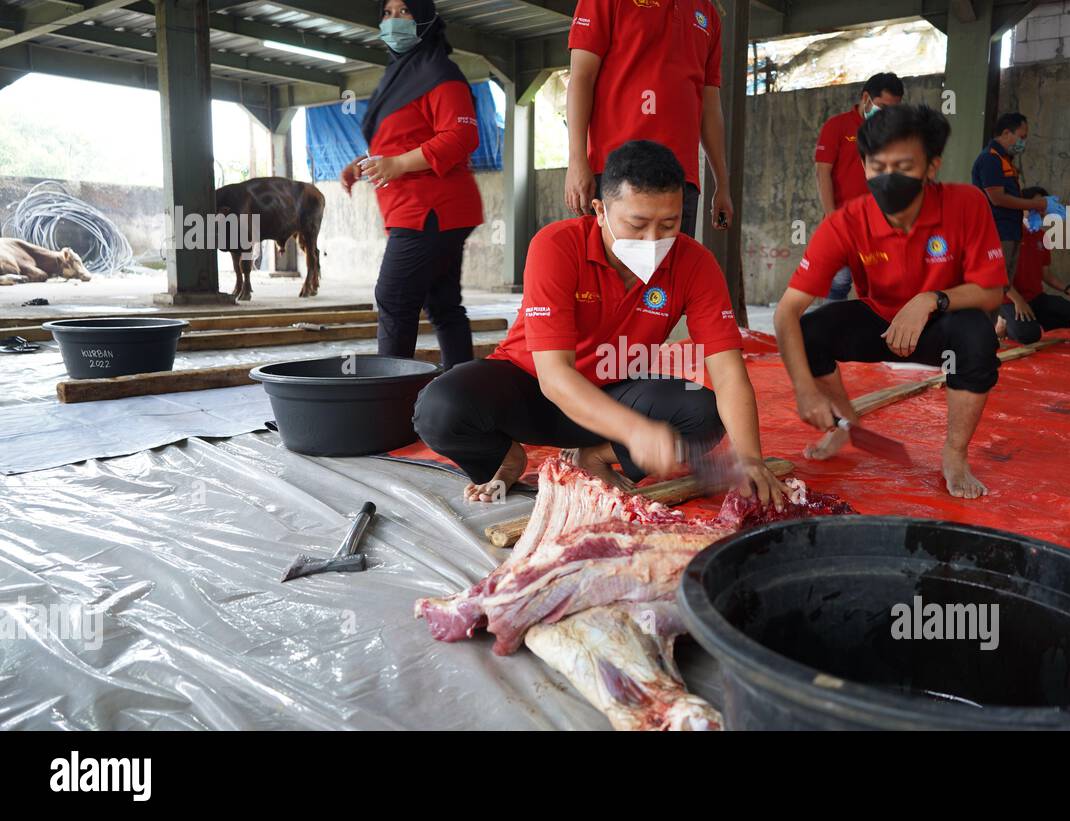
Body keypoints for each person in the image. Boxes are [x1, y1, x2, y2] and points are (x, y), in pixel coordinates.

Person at [413, 140, 791, 509]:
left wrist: (750, 459)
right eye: (638, 223)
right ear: (600, 210)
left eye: (669, 224)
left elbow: (728, 374)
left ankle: (594, 456)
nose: (653, 239)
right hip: (531, 389)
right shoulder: (556, 246)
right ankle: (506, 458)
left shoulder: (695, 263)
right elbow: (554, 377)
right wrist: (635, 432)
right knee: (439, 409)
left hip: (614, 391)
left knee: (703, 413)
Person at [772, 105, 1007, 499]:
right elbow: (785, 313)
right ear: (863, 166)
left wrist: (930, 300)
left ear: (932, 166)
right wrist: (804, 390)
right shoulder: (844, 223)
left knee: (978, 336)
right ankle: (844, 422)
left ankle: (954, 454)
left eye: (903, 166)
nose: (888, 178)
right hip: (879, 321)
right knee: (811, 330)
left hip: (942, 327)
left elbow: (991, 291)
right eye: (877, 166)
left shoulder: (967, 204)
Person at [339, 0, 483, 366]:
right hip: (422, 209)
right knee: (444, 305)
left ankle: (388, 402)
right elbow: (402, 139)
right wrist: (364, 164)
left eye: (404, 11)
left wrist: (399, 164)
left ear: (425, 19)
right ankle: (462, 392)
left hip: (430, 208)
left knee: (394, 299)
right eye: (387, 13)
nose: (392, 21)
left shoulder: (439, 71)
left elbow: (461, 135)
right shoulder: (402, 75)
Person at [562, 0, 732, 238]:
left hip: (681, 180)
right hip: (616, 172)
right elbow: (581, 77)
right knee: (611, 271)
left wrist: (722, 184)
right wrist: (576, 160)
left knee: (671, 273)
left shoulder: (708, 13)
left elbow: (710, 106)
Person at [814, 72, 906, 300]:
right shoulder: (837, 126)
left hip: (878, 225)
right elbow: (822, 172)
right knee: (838, 283)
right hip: (843, 222)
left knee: (878, 289)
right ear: (866, 98)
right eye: (883, 107)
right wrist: (832, 217)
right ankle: (831, 334)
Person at [997, 186, 1070, 344]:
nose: (1041, 211)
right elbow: (998, 275)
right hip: (1008, 299)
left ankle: (1032, 320)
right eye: (1036, 206)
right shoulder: (1007, 234)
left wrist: (1068, 290)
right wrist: (1018, 301)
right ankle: (1002, 320)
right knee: (1028, 336)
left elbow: (1045, 274)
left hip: (1036, 298)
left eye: (1043, 207)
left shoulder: (1041, 235)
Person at [971, 112, 1048, 285]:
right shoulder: (990, 159)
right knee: (992, 286)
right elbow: (997, 198)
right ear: (1006, 133)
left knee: (1003, 287)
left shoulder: (1006, 161)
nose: (1023, 143)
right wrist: (1035, 204)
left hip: (1010, 232)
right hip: (997, 232)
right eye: (1022, 137)